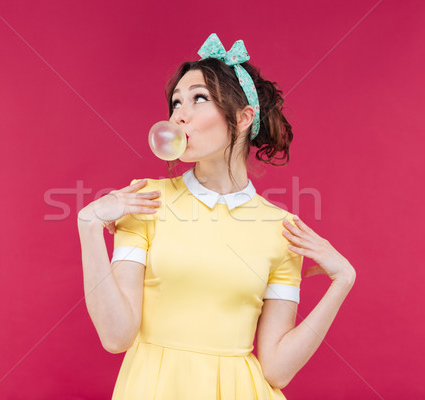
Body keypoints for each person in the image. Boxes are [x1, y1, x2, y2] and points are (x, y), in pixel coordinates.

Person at [77, 33, 356, 399]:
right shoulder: (145, 200)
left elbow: (277, 369)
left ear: (242, 119)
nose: (179, 116)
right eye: (175, 103)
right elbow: (116, 337)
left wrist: (342, 282)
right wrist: (89, 225)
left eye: (198, 99)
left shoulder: (281, 230)